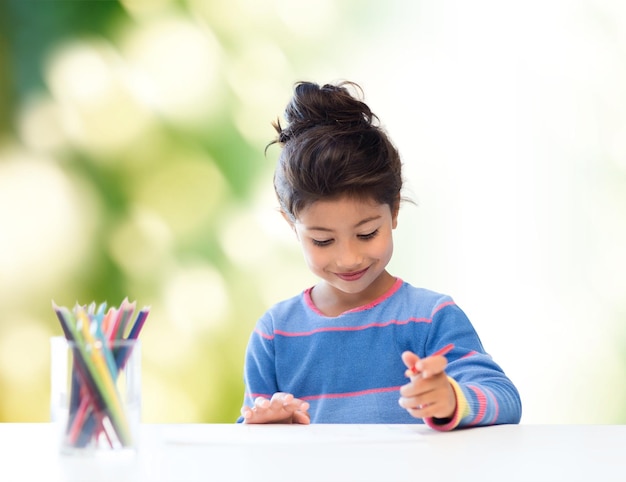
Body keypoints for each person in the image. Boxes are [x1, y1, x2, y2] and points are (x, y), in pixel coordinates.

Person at [238, 80, 522, 430]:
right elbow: (247, 434)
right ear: (291, 225)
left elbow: (503, 397)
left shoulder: (429, 318)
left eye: (367, 233)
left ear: (395, 210)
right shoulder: (275, 334)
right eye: (323, 241)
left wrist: (449, 398)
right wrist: (268, 428)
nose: (349, 258)